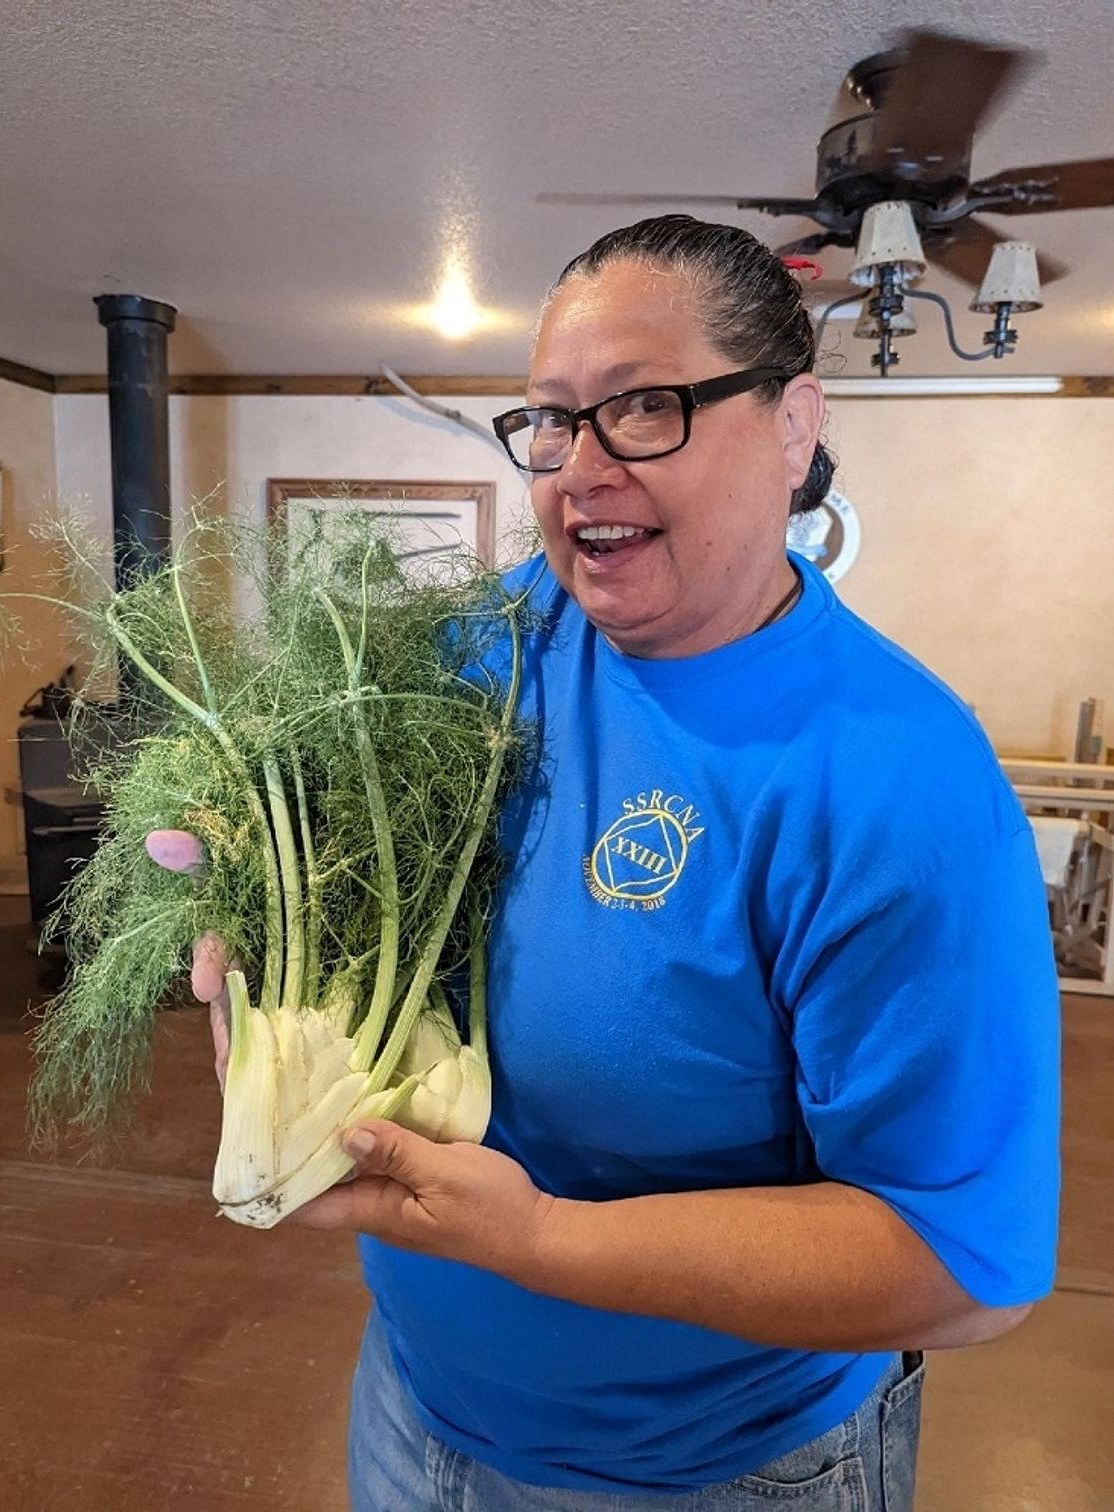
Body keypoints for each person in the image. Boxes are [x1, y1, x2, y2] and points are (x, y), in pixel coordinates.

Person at [156, 215, 1060, 1510]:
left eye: (644, 408)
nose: (580, 468)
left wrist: (540, 1241)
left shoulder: (895, 782)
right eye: (550, 420)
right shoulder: (474, 651)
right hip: (415, 1407)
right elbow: (342, 903)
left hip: (716, 1473)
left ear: (794, 427)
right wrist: (252, 913)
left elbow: (961, 1272)